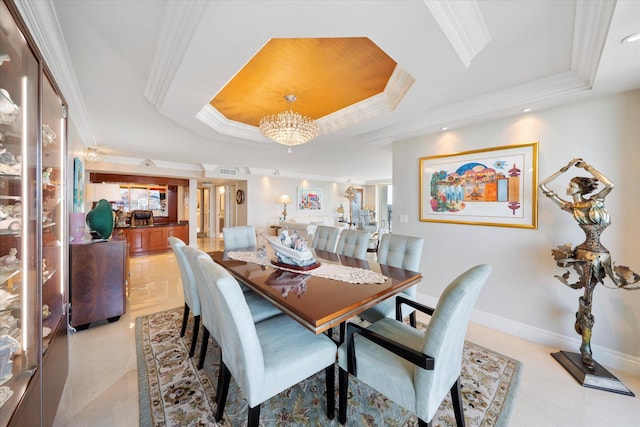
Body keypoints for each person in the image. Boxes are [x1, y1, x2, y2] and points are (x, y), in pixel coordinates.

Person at [540, 158, 639, 368]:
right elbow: (543, 187)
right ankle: (586, 345)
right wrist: (563, 169)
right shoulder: (570, 207)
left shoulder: (595, 201)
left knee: (590, 294)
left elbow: (609, 184)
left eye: (571, 185)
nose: (567, 187)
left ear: (580, 188)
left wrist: (587, 168)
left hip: (600, 254)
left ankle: (586, 344)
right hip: (582, 252)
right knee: (587, 294)